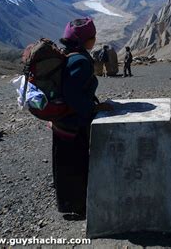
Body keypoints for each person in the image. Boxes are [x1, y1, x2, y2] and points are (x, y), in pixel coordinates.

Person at [52, 17, 113, 217]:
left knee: (65, 162)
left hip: (63, 122)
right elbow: (72, 94)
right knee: (75, 163)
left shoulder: (70, 54)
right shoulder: (80, 60)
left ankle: (69, 202)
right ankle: (78, 205)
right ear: (85, 40)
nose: (95, 39)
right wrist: (92, 109)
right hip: (73, 123)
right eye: (92, 36)